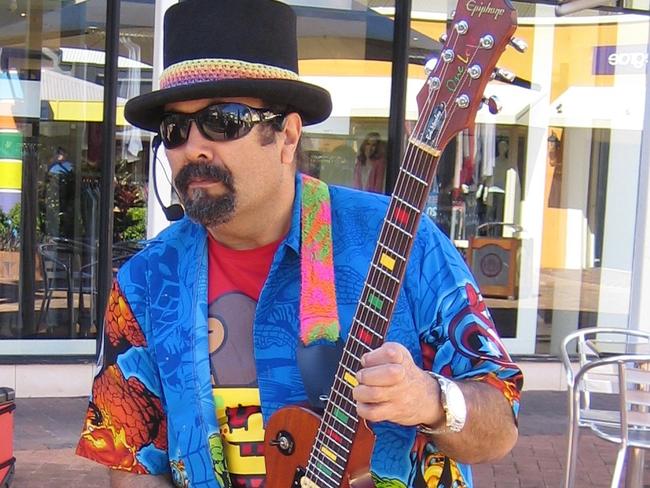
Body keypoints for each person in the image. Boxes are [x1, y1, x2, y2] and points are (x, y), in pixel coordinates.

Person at [76, 1, 523, 487]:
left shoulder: (401, 238)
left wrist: (433, 401)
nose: (192, 147)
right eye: (175, 129)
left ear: (287, 135)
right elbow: (134, 465)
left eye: (222, 121)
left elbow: (499, 426)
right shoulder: (145, 284)